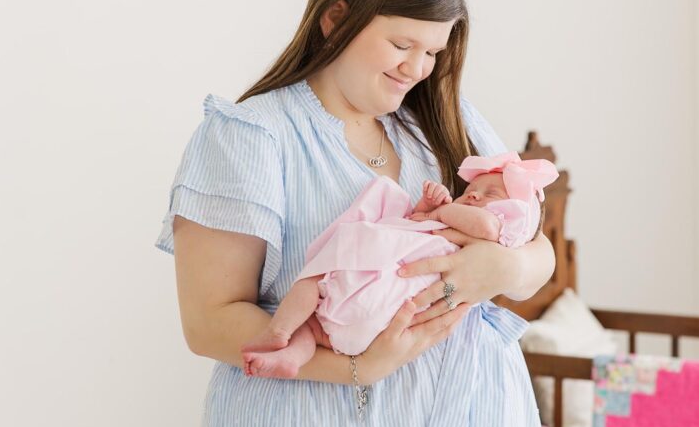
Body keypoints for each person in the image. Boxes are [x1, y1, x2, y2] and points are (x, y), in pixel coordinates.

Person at [154, 0, 569, 427]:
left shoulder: (443, 124)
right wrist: (358, 366)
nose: (418, 68)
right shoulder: (252, 137)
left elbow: (537, 252)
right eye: (402, 44)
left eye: (434, 51)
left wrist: (502, 264)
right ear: (336, 17)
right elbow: (209, 321)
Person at [240, 152, 559, 382]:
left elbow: (495, 233)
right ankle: (287, 348)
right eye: (470, 190)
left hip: (386, 308)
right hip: (370, 323)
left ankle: (280, 331)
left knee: (316, 282)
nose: (473, 193)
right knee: (311, 315)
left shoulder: (494, 228)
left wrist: (440, 214)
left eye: (490, 194)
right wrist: (428, 207)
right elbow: (410, 225)